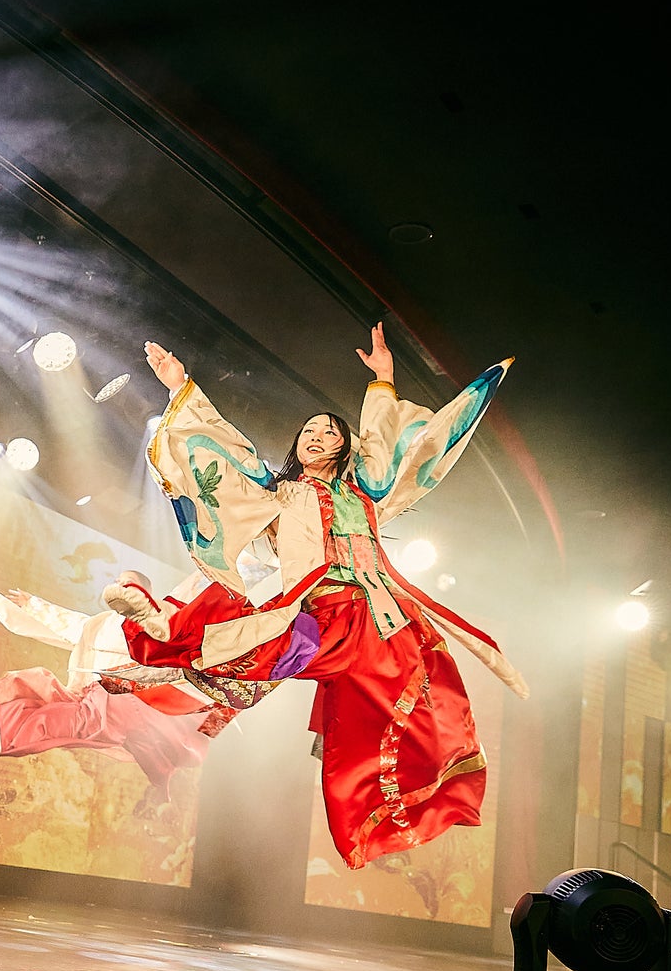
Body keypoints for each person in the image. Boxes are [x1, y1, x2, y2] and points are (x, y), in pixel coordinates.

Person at [102, 324, 526, 868]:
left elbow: (398, 447)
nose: (318, 437)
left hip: (385, 619)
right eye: (309, 431)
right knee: (257, 647)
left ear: (344, 447)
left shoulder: (365, 493)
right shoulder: (277, 494)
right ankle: (160, 629)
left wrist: (383, 380)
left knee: (425, 709)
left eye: (329, 432)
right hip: (321, 611)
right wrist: (181, 386)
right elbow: (226, 451)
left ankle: (417, 808)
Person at [0, 579, 273, 789]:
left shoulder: (164, 621)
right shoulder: (101, 625)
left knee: (72, 720)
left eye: (129, 585)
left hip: (132, 702)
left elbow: (201, 588)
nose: (121, 589)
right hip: (99, 698)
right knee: (37, 698)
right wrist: (23, 604)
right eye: (119, 584)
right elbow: (58, 624)